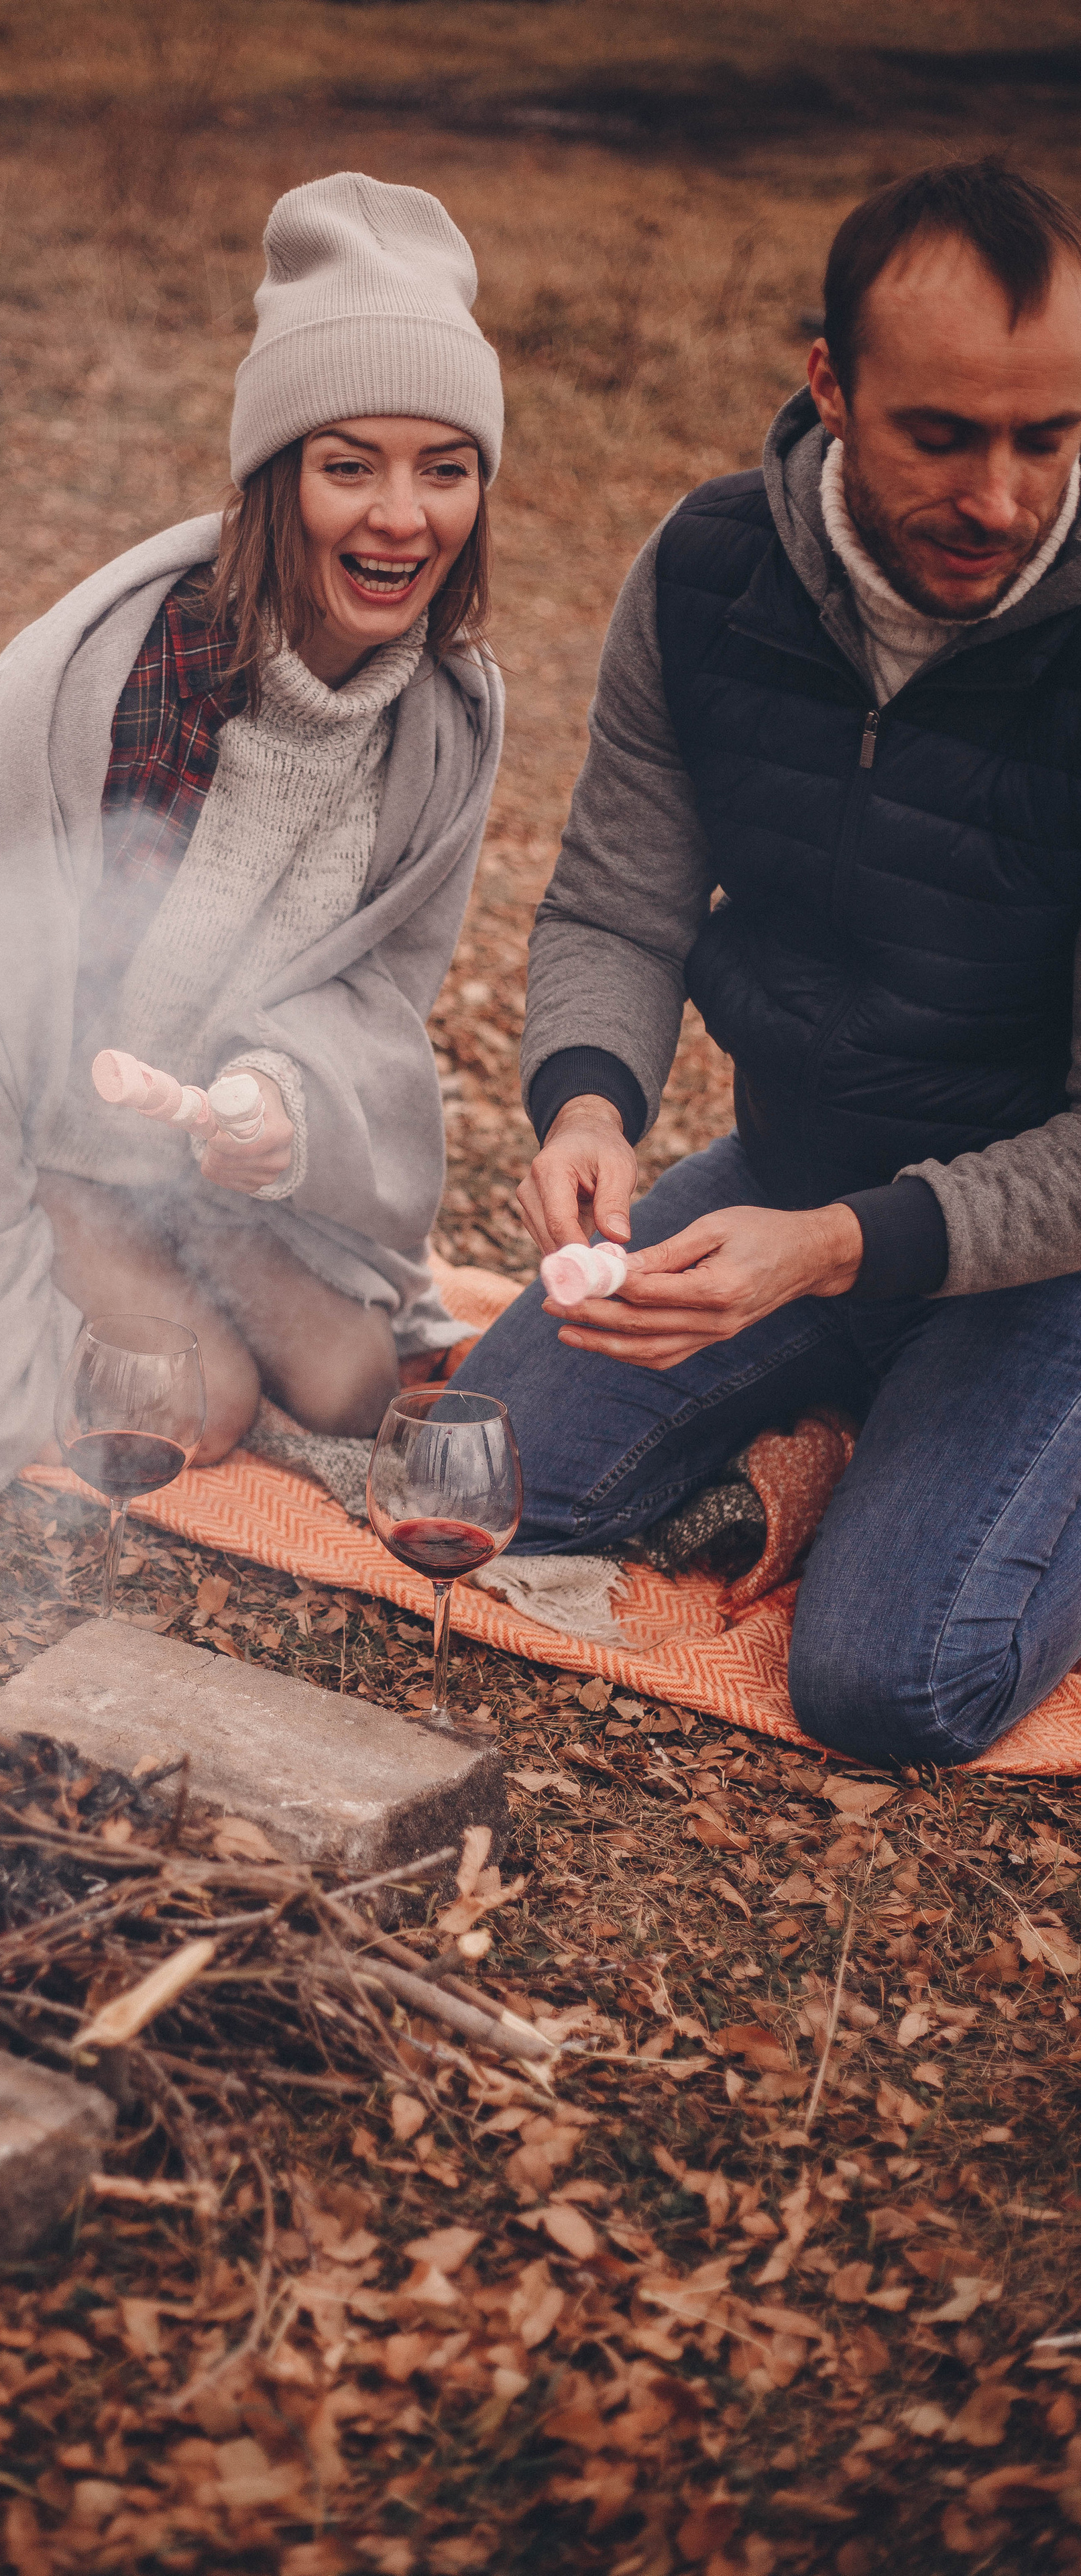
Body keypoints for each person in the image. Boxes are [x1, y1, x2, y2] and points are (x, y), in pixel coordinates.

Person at [0, 173, 506, 1503]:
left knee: (352, 1383)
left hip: (206, 1151)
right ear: (274, 476)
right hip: (33, 1124)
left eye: (444, 470)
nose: (400, 517)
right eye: (347, 466)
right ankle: (94, 1239)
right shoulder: (115, 672)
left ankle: (188, 1242)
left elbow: (375, 988)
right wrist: (62, 1171)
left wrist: (279, 1101)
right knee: (194, 1403)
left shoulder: (444, 711)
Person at [456, 160, 1081, 1770]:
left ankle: (955, 1432)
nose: (999, 500)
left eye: (1047, 436)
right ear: (829, 386)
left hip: (1043, 1254)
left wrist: (830, 1252)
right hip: (793, 1168)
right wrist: (586, 1108)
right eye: (939, 434)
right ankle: (867, 1418)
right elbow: (612, 902)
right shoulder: (706, 570)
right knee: (481, 1488)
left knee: (894, 1684)